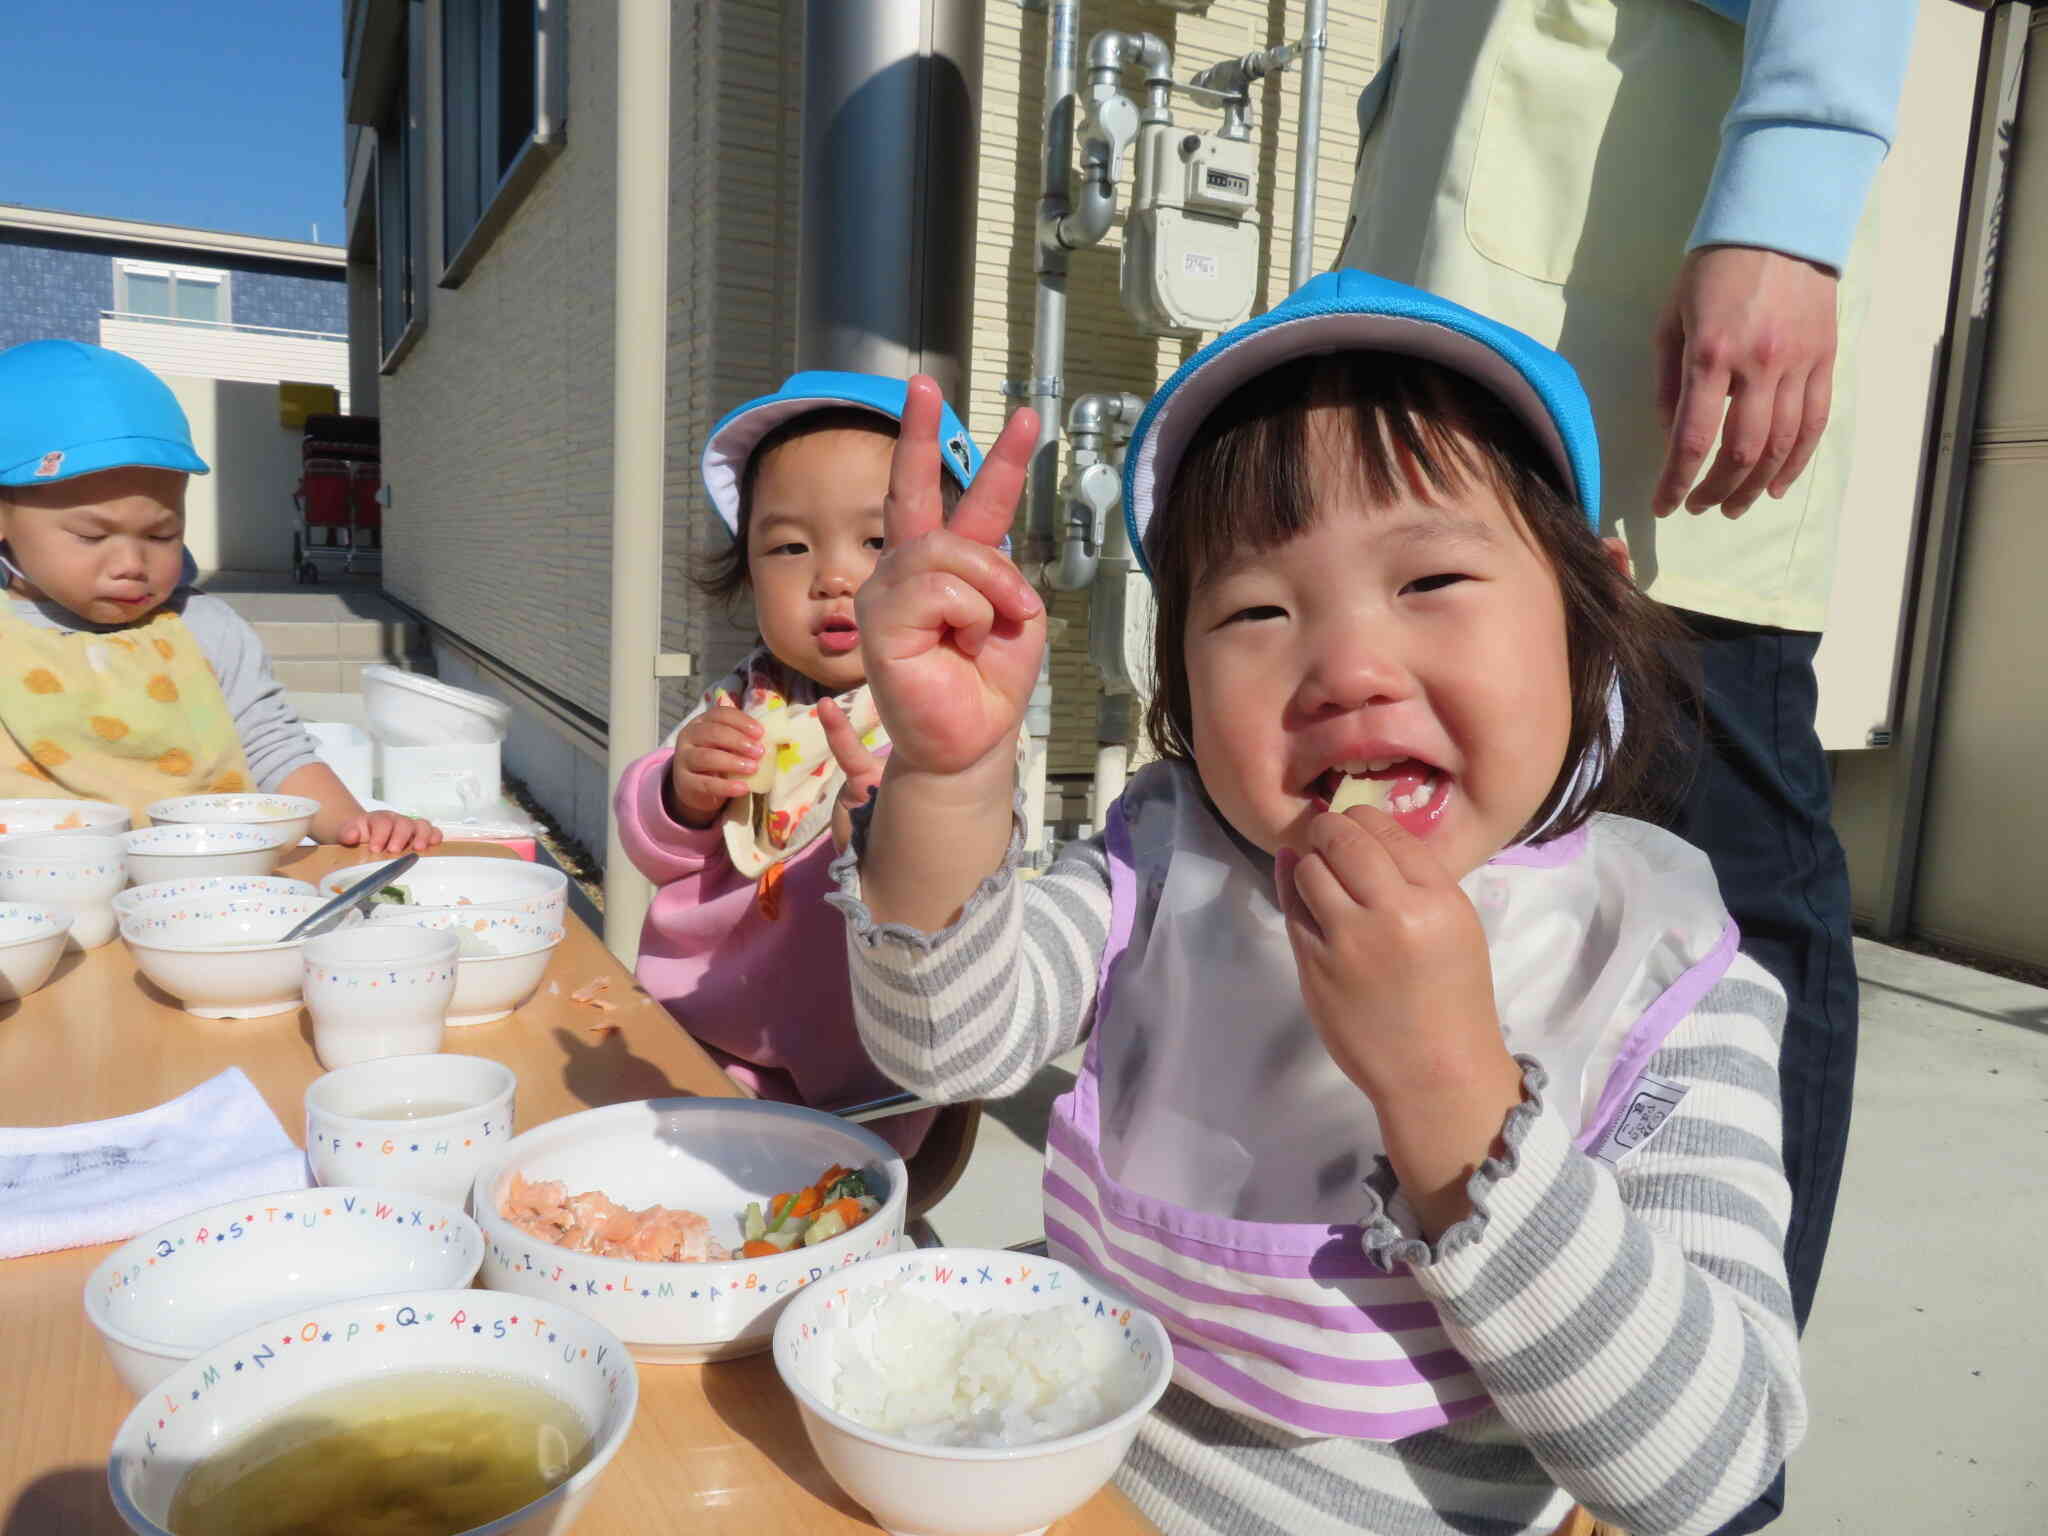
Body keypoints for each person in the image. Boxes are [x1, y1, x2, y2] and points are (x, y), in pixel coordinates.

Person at [830, 273, 1805, 1536]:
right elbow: (941, 1044)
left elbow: (1705, 1467)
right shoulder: (1170, 867)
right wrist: (949, 777)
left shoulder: (1661, 979)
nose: (1345, 668)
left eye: (1432, 580)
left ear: (1589, 606)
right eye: (1254, 609)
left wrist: (1449, 1090)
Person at [1337, 13, 1914, 1527]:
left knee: (1722, 854)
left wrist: (1790, 201)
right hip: (1433, 300)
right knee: (1470, 855)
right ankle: (1502, 1329)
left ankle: (1703, 1411)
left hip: (1656, 289)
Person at [611, 372, 985, 1160]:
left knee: (831, 1214)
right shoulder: (750, 696)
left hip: (864, 1080)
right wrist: (680, 792)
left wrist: (913, 817)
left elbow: (967, 888)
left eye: (880, 541)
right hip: (706, 1033)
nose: (835, 578)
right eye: (789, 547)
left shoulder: (951, 713)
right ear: (745, 569)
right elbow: (652, 847)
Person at [0, 340, 438, 852]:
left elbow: (272, 747)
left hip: (210, 886)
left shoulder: (204, 627)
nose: (130, 565)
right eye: (92, 537)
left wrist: (355, 826)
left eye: (161, 535)